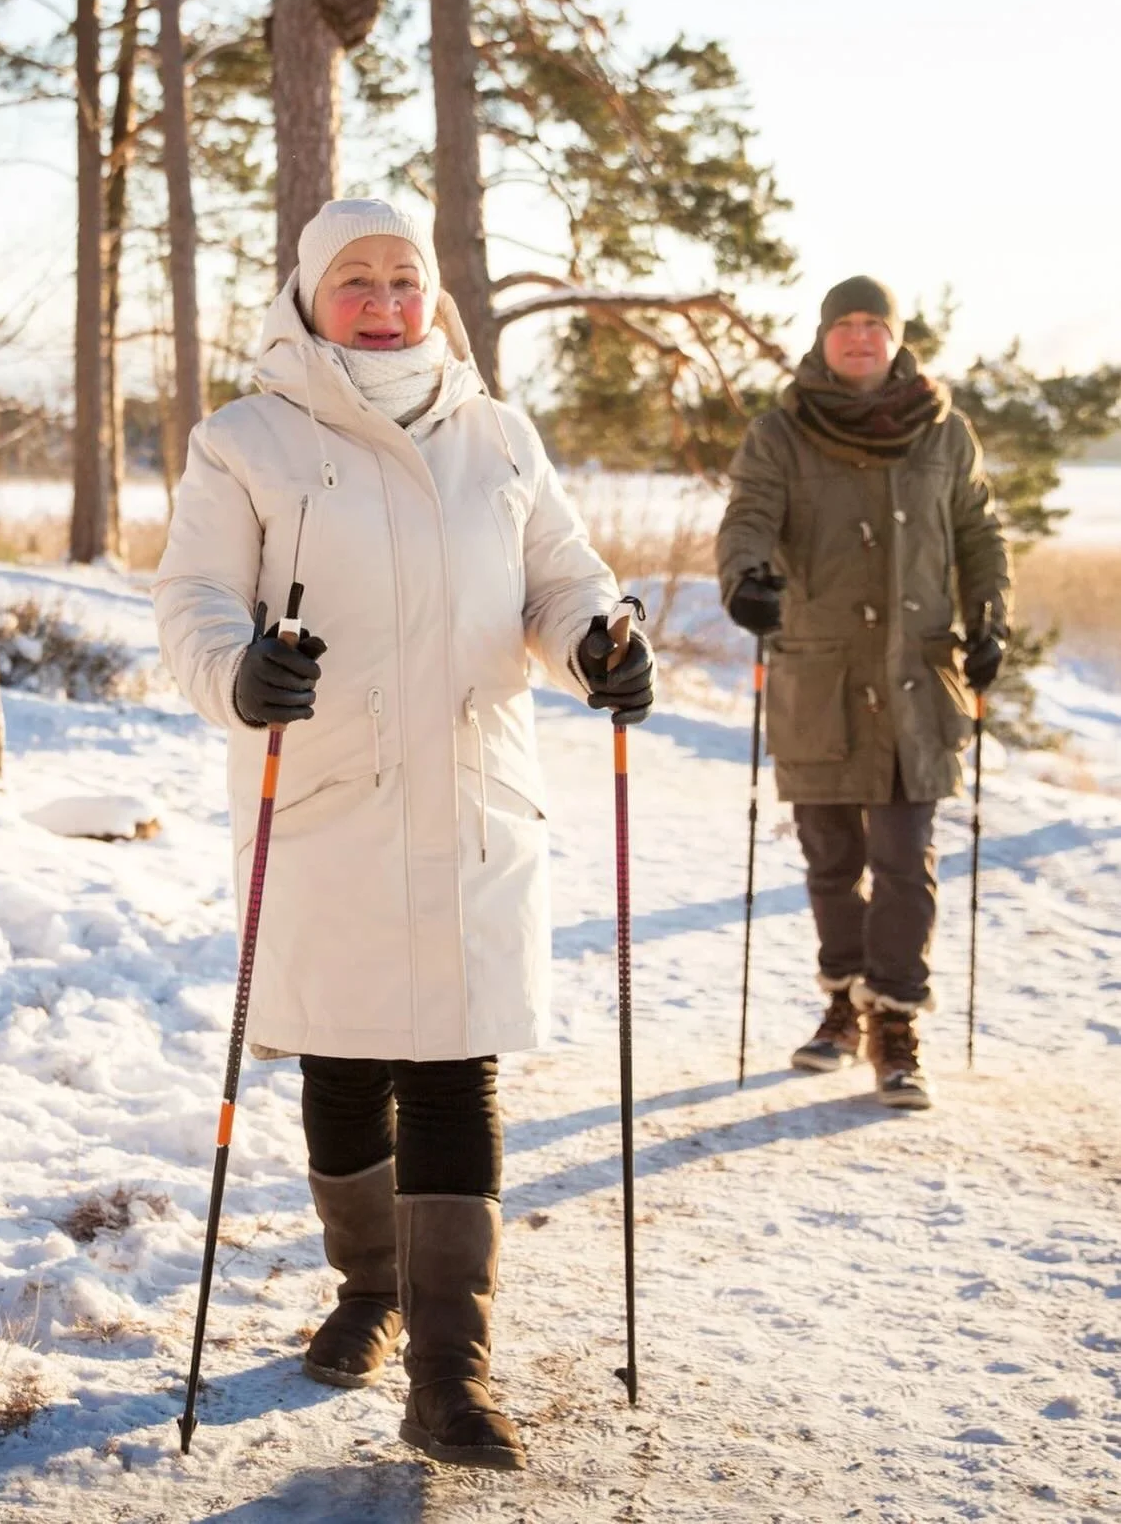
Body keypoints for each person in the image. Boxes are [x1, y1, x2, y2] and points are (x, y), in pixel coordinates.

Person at [153, 199, 654, 1471]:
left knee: (453, 1069)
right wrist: (238, 672)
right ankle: (368, 1286)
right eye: (356, 280)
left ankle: (449, 1372)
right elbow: (194, 598)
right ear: (309, 297)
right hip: (327, 796)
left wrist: (597, 643)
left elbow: (561, 578)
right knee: (342, 1063)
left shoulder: (498, 434)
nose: (383, 302)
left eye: (403, 279)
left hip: (475, 798)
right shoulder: (246, 439)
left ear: (434, 295)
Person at [716, 275, 1012, 1109]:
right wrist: (746, 579)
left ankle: (896, 1020)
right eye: (843, 324)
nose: (857, 337)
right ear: (822, 338)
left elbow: (980, 531)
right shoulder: (780, 432)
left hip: (916, 679)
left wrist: (991, 617)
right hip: (821, 678)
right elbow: (747, 517)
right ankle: (844, 1004)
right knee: (832, 860)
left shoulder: (943, 430)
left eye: (872, 325)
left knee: (905, 860)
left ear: (895, 337)